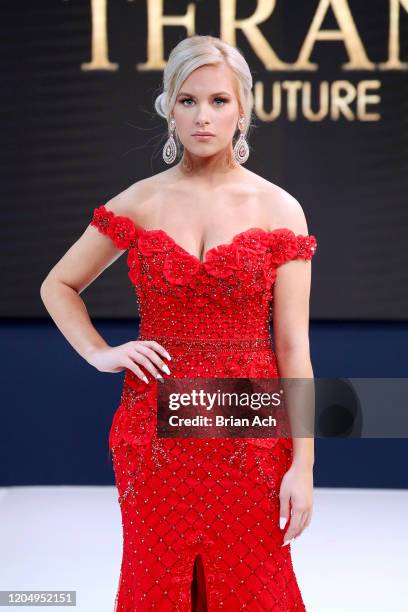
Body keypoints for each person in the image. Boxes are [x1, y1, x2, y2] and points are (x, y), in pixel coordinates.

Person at [40, 34, 317, 611]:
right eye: (188, 100)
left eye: (219, 100)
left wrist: (304, 465)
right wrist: (100, 352)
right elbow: (58, 285)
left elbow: (293, 348)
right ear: (169, 107)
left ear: (243, 108)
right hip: (153, 432)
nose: (203, 116)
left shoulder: (278, 208)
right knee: (156, 584)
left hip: (250, 430)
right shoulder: (139, 202)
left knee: (253, 588)